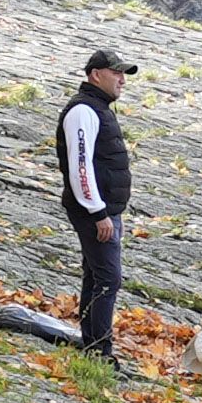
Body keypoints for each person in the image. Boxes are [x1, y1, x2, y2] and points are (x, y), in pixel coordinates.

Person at [55, 49, 138, 370]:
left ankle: (91, 343)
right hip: (94, 212)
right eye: (116, 73)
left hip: (105, 210)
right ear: (95, 74)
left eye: (124, 74)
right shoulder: (83, 111)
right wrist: (98, 212)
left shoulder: (98, 109)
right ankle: (100, 353)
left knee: (96, 276)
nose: (122, 80)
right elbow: (80, 167)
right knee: (108, 279)